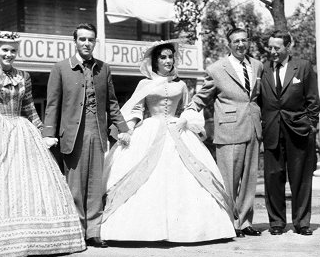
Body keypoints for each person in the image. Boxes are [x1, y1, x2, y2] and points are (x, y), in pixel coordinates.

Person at [0, 31, 85, 257]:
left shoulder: (24, 76)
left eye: (13, 50)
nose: (9, 54)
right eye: (5, 50)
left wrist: (42, 133)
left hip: (22, 130)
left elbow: (29, 109)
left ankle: (35, 239)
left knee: (30, 183)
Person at [100, 42, 236, 243]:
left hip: (177, 130)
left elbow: (189, 108)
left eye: (170, 57)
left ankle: (191, 231)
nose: (167, 61)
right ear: (155, 61)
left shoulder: (180, 85)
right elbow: (136, 109)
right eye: (163, 57)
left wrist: (186, 119)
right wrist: (127, 129)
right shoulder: (145, 84)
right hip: (151, 129)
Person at [43, 23, 131, 248]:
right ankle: (76, 231)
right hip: (72, 135)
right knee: (75, 186)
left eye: (90, 39)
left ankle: (93, 231)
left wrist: (123, 128)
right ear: (75, 41)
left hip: (97, 133)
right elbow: (52, 105)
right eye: (82, 39)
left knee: (94, 184)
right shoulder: (61, 68)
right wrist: (48, 133)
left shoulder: (104, 68)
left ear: (95, 42)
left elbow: (111, 103)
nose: (86, 43)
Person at [187, 28, 264, 237]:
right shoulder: (216, 69)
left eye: (244, 40)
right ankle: (228, 222)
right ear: (229, 44)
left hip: (253, 128)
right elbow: (202, 96)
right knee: (228, 180)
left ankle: (245, 222)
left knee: (249, 181)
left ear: (248, 42)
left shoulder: (257, 66)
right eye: (236, 41)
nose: (241, 44)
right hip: (229, 129)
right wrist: (189, 112)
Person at [260, 30, 320, 235]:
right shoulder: (263, 68)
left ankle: (302, 222)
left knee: (301, 178)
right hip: (272, 131)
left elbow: (313, 100)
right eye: (270, 47)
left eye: (277, 47)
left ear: (288, 47)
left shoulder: (303, 67)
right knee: (273, 177)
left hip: (299, 131)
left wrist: (311, 126)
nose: (273, 51)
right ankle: (276, 223)